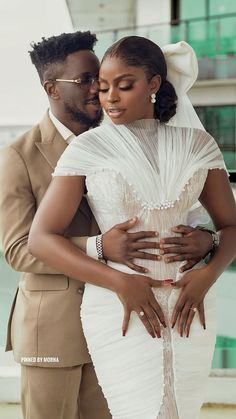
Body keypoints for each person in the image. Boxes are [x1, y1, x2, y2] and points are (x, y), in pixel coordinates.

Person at [0, 31, 216, 419]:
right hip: (57, 325)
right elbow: (19, 247)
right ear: (51, 88)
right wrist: (100, 248)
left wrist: (205, 240)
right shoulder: (19, 155)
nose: (100, 93)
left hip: (131, 320)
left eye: (104, 81)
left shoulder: (135, 138)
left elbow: (187, 211)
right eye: (89, 82)